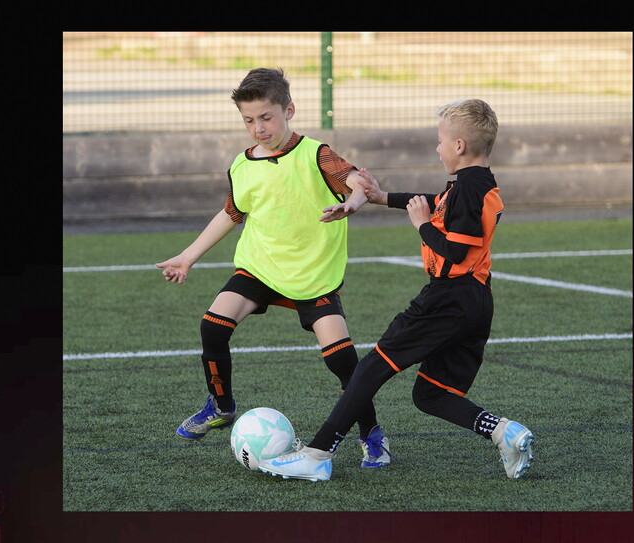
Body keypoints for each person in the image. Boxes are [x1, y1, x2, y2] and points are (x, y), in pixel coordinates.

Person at [259, 98, 533, 482]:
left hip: (448, 298)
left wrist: (421, 225)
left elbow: (455, 249)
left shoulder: (469, 189)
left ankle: (316, 454)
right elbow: (434, 203)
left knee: (370, 368)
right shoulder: (476, 183)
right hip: (475, 300)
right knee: (431, 394)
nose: (437, 148)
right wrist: (380, 197)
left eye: (440, 141)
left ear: (458, 146)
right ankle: (504, 431)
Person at [155, 67, 391, 468]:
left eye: (266, 117)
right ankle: (221, 404)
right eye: (249, 120)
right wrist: (187, 256)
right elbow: (232, 214)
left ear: (289, 110)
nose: (258, 128)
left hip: (314, 275)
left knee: (341, 360)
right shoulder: (242, 164)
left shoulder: (317, 155)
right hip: (260, 268)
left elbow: (356, 182)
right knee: (212, 325)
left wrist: (351, 203)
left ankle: (372, 434)